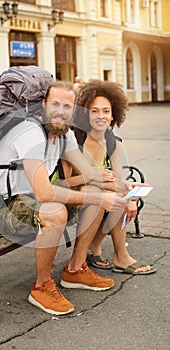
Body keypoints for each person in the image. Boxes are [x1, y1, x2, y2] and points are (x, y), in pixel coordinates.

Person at [0, 80, 131, 316]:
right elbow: (45, 193)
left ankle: (75, 269)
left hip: (31, 202)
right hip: (1, 207)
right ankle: (41, 286)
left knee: (96, 194)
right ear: (44, 105)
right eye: (55, 104)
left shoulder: (64, 134)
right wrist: (100, 198)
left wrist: (123, 185)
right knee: (56, 211)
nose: (61, 112)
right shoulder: (30, 133)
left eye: (67, 106)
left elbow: (90, 174)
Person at [61, 79, 157, 275]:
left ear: (113, 114)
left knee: (122, 198)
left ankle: (99, 249)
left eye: (106, 111)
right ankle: (120, 256)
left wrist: (132, 194)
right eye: (94, 111)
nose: (100, 116)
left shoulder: (112, 142)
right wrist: (92, 176)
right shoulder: (74, 140)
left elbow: (118, 181)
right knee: (106, 194)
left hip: (97, 194)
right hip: (70, 196)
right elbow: (62, 183)